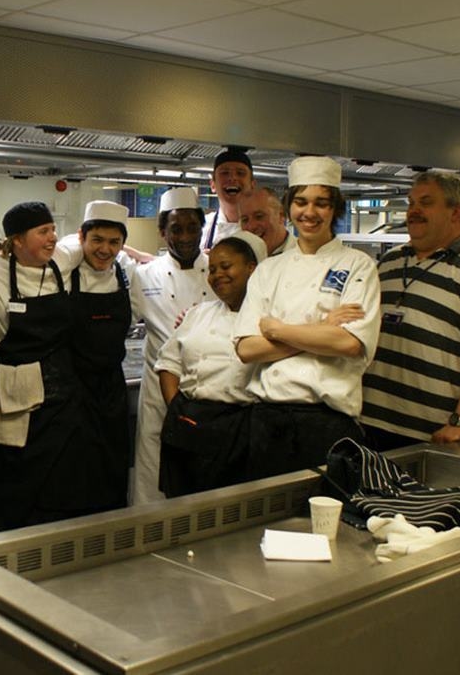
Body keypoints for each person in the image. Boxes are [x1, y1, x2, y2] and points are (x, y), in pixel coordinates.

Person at [234, 156, 381, 481]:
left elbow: (348, 343)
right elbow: (247, 349)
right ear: (289, 208)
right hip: (266, 420)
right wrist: (321, 330)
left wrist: (278, 329)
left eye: (321, 203)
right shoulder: (270, 269)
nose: (310, 213)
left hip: (329, 423)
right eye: (301, 202)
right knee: (266, 521)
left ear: (335, 208)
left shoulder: (358, 265)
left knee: (328, 522)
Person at [0, 201, 97, 533]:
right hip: (13, 401)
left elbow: (90, 240)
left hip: (59, 401)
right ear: (17, 241)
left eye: (53, 229)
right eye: (43, 231)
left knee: (58, 487)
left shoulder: (61, 261)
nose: (53, 237)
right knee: (10, 485)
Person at [361, 172, 460, 449]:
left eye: (426, 202)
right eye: (411, 203)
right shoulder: (390, 262)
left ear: (455, 212)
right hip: (372, 422)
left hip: (435, 433)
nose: (414, 211)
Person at [156, 232, 266, 497]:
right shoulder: (198, 313)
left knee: (230, 511)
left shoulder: (268, 319)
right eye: (212, 269)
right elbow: (168, 363)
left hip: (239, 429)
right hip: (188, 423)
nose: (217, 275)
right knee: (179, 509)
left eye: (226, 267)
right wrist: (176, 409)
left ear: (252, 269)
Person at [129, 187, 213, 504]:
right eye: (177, 228)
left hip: (208, 389)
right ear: (163, 232)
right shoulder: (143, 275)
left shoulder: (218, 270)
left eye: (193, 227)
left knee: (201, 472)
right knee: (151, 467)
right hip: (157, 393)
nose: (186, 236)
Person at [65, 200, 134, 511]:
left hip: (112, 391)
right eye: (97, 240)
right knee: (75, 472)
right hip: (72, 391)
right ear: (82, 238)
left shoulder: (125, 273)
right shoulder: (65, 272)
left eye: (114, 242)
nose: (105, 250)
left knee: (113, 469)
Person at [201, 148, 255, 251]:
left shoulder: (261, 228)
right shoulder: (201, 228)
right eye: (225, 173)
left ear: (252, 185)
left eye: (240, 173)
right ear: (212, 185)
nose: (232, 178)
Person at [239, 186, 296, 257]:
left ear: (281, 215)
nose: (251, 227)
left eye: (259, 217)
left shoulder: (305, 255)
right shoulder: (238, 257)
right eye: (245, 220)